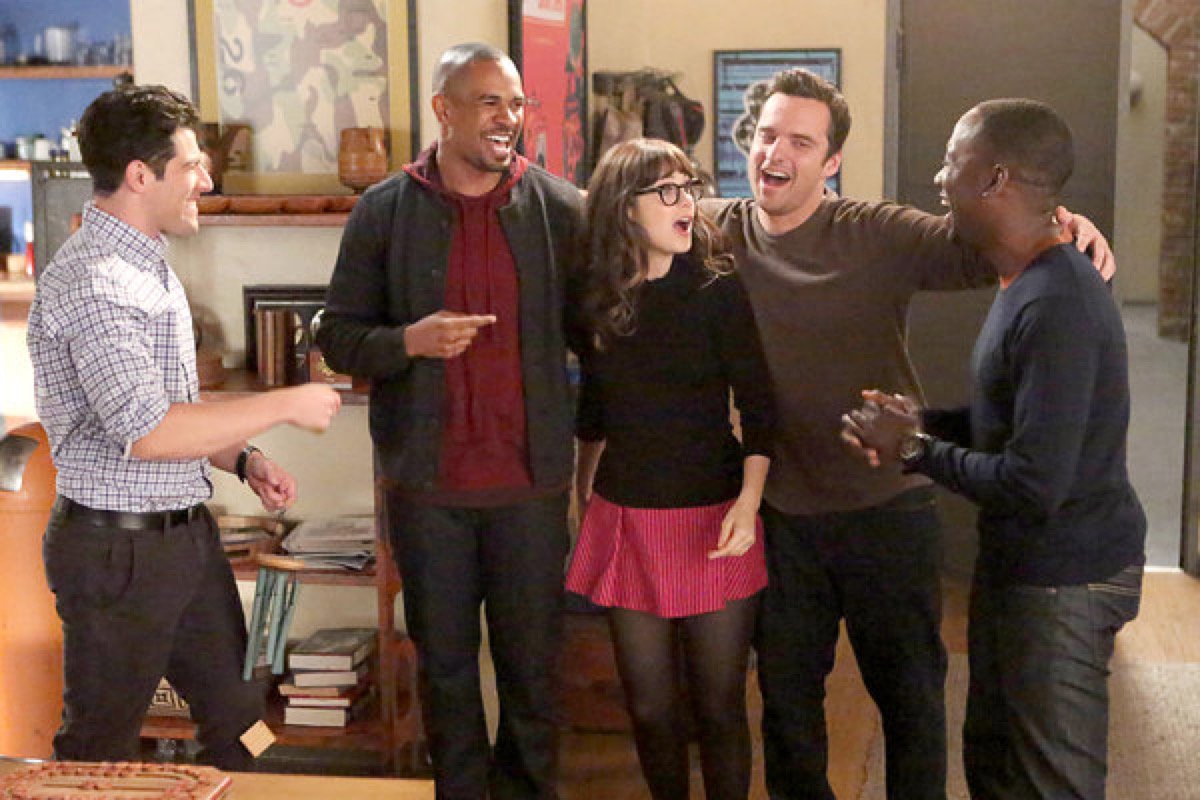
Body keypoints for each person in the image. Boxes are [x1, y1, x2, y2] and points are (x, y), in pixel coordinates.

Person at [699, 68, 1115, 800]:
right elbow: (620, 211)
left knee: (912, 702)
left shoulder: (876, 231)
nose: (776, 152)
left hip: (887, 510)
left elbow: (992, 241)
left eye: (801, 141)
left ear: (831, 161)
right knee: (788, 709)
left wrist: (1063, 221)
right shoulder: (716, 231)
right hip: (783, 518)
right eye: (766, 135)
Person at [26, 84, 342, 769]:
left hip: (185, 540)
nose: (206, 179)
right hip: (116, 554)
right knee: (99, 747)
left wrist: (244, 458)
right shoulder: (96, 282)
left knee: (242, 720)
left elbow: (178, 409)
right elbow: (150, 432)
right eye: (192, 165)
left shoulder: (148, 266)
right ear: (141, 176)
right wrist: (287, 403)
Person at [842, 98, 1145, 800]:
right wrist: (922, 423)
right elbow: (1008, 426)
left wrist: (913, 448)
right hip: (1025, 570)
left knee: (1051, 784)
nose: (939, 177)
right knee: (996, 768)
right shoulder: (1026, 284)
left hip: (1065, 578)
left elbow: (1034, 483)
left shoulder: (1060, 303)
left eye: (953, 161)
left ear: (995, 179)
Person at [315, 43, 584, 799]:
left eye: (517, 103)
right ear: (443, 109)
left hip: (531, 489)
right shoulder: (382, 211)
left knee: (534, 674)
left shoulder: (561, 211)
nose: (509, 118)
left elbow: (601, 336)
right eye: (490, 101)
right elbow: (337, 336)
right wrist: (409, 341)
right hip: (427, 492)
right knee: (445, 671)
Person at [565, 138, 775, 800]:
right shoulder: (593, 299)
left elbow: (761, 407)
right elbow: (594, 409)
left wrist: (748, 504)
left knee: (718, 706)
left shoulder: (718, 289)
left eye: (689, 187)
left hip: (715, 515)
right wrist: (581, 493)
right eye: (667, 191)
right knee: (651, 708)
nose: (686, 202)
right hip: (627, 517)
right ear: (624, 208)